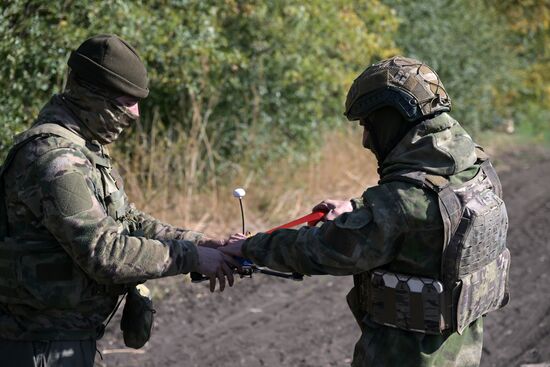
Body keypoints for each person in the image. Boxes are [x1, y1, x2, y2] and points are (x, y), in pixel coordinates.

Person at [222, 56, 510, 366]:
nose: (365, 140)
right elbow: (422, 210)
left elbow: (322, 249)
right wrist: (357, 207)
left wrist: (248, 246)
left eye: (368, 125)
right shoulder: (477, 171)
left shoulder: (400, 204)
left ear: (391, 119)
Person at [0, 34, 238, 366]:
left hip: (66, 340)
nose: (136, 114)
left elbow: (129, 221)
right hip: (40, 347)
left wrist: (202, 243)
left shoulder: (85, 150)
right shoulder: (52, 158)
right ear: (91, 95)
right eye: (126, 102)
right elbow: (104, 251)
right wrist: (191, 257)